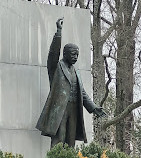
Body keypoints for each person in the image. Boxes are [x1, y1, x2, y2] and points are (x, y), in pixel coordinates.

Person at [36, 18, 106, 148]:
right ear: (65, 54)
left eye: (77, 55)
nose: (75, 57)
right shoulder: (56, 67)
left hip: (74, 109)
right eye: (73, 54)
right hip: (60, 110)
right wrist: (58, 33)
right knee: (59, 140)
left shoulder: (76, 72)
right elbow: (53, 54)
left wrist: (93, 107)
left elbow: (82, 93)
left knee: (70, 142)